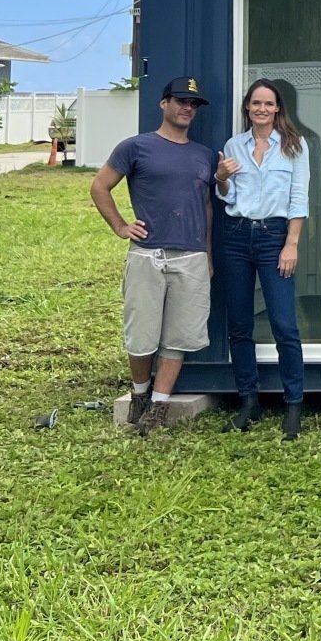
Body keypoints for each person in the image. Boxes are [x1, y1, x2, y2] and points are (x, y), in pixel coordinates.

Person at [90, 76, 217, 438]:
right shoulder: (136, 147)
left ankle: (159, 405)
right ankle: (140, 394)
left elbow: (207, 206)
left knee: (178, 337)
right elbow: (100, 186)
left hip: (191, 257)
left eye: (193, 104)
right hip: (148, 255)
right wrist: (120, 226)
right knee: (141, 334)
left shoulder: (205, 155)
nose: (187, 108)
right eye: (181, 101)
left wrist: (207, 252)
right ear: (164, 104)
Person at [214, 78, 310, 440]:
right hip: (236, 237)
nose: (262, 109)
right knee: (240, 325)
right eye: (256, 103)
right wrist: (221, 178)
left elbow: (299, 198)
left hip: (274, 238)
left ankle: (293, 405)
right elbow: (227, 195)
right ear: (247, 107)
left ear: (278, 108)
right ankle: (249, 402)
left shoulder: (294, 145)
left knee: (284, 325)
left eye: (269, 104)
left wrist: (291, 244)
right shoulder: (233, 145)